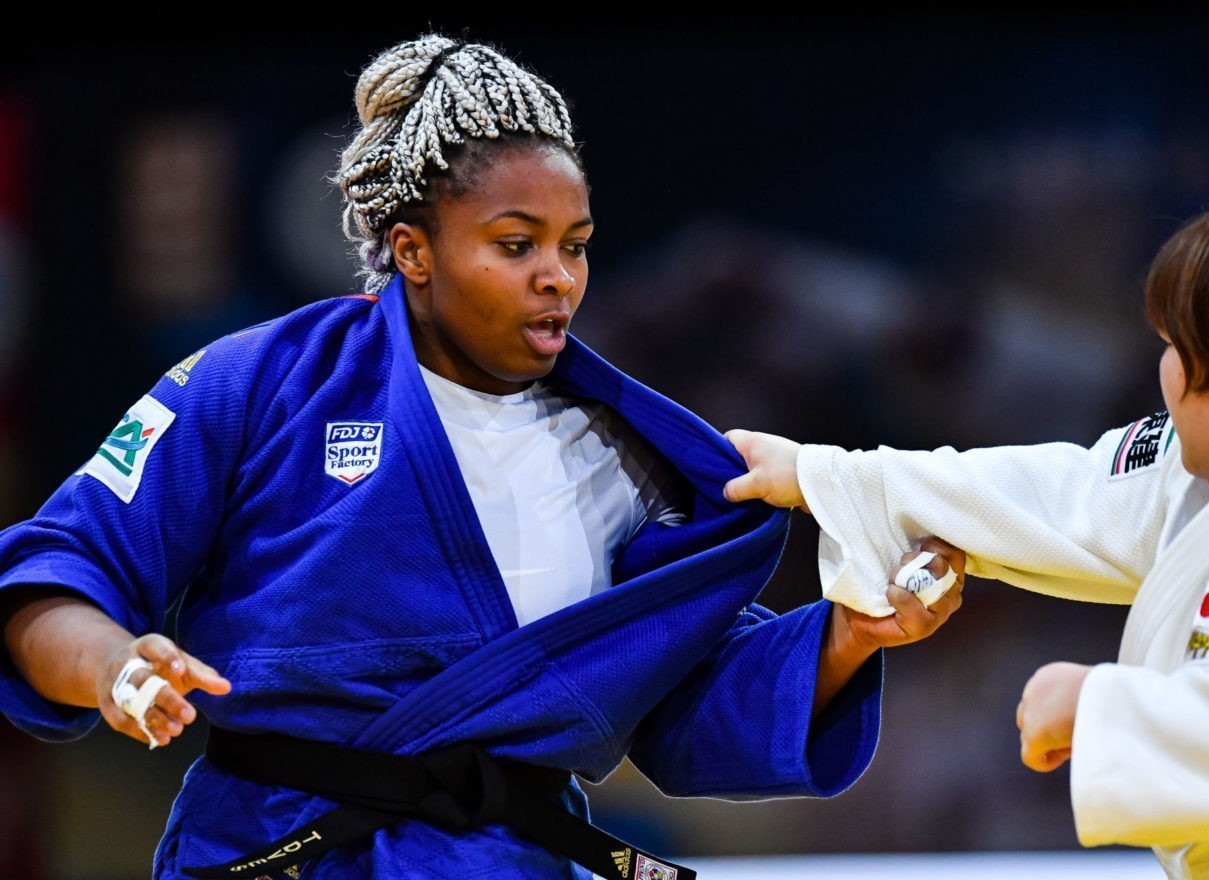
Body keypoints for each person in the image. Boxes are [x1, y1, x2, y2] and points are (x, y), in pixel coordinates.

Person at [0, 32, 965, 880]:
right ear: (413, 251)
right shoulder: (254, 382)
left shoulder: (622, 451)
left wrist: (853, 636)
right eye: (516, 244)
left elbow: (679, 698)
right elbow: (54, 579)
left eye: (575, 245)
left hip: (511, 860)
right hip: (274, 849)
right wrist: (116, 668)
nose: (558, 275)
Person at [724, 186, 1209, 879]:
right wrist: (820, 474)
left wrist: (1096, 707)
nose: (1164, 373)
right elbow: (1058, 495)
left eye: (1177, 345)